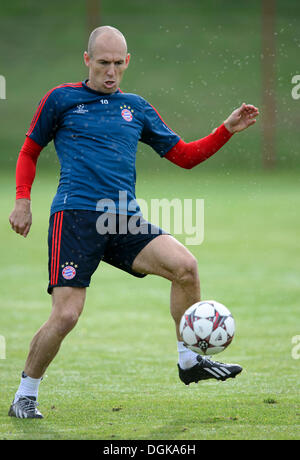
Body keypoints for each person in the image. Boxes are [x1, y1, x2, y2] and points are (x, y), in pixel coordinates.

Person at [8, 26, 259, 419]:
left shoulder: (136, 108)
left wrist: (225, 130)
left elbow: (185, 156)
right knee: (67, 315)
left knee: (186, 269)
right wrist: (22, 201)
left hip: (123, 218)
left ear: (128, 62)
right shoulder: (61, 99)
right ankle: (26, 393)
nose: (111, 72)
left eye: (118, 64)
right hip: (75, 217)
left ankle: (189, 362)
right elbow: (29, 150)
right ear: (87, 60)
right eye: (103, 63)